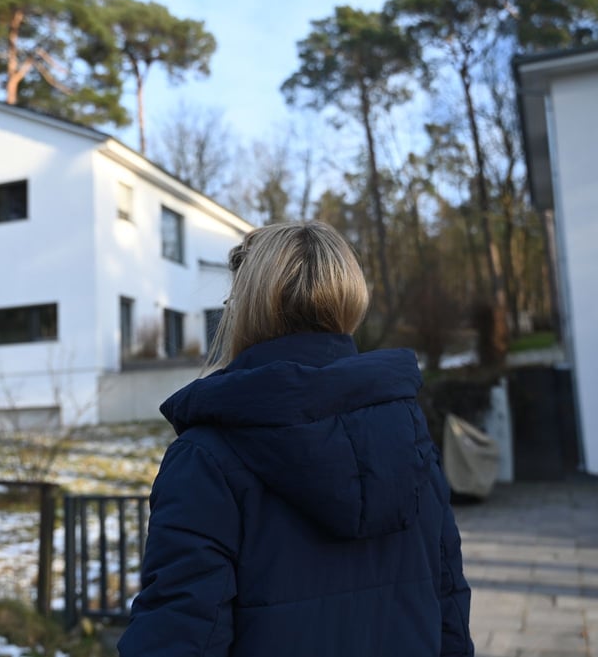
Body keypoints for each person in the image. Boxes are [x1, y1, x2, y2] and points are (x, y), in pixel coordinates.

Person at [117, 220, 474, 657]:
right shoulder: (408, 435)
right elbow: (450, 613)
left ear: (243, 306)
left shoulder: (205, 459)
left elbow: (179, 635)